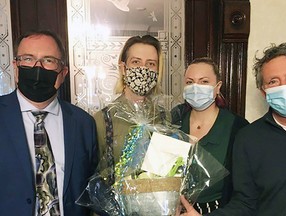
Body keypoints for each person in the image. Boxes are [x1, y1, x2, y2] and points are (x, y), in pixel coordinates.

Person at [179, 43, 286, 216]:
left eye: (204, 81)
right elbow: (245, 203)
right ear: (264, 92)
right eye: (274, 81)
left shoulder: (235, 126)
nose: (284, 87)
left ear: (218, 86)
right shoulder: (250, 138)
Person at [0, 30, 98, 216]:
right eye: (28, 59)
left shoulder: (84, 124)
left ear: (63, 72)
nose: (38, 68)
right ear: (15, 66)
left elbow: (91, 188)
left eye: (48, 60)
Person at [171, 57, 249, 214]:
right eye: (189, 82)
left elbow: (245, 193)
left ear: (217, 86)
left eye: (204, 81)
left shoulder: (238, 127)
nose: (195, 87)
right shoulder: (174, 119)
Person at [94, 35, 170, 185]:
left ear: (157, 70)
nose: (143, 69)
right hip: (113, 206)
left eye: (151, 64)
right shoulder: (102, 119)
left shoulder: (165, 117)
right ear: (123, 68)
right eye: (136, 62)